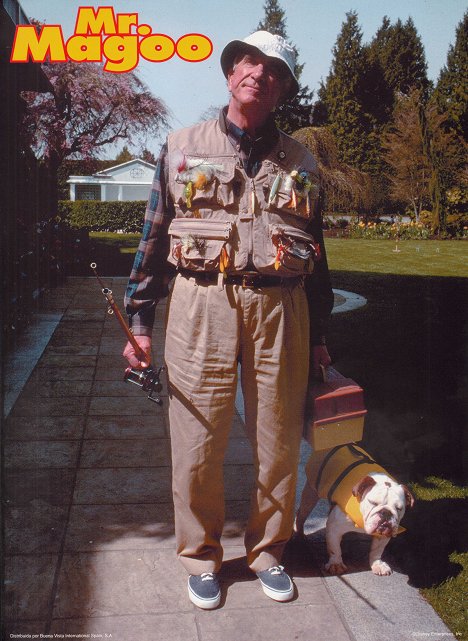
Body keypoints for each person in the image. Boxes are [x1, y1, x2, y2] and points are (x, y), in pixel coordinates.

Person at [123, 30, 334, 609]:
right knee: (197, 439)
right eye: (250, 62)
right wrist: (139, 322)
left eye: (274, 69)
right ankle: (201, 556)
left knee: (279, 442)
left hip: (281, 310)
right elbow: (153, 237)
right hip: (200, 304)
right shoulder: (181, 144)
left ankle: (269, 551)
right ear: (230, 70)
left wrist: (321, 336)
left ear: (284, 87)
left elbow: (314, 253)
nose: (259, 74)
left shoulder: (302, 159)